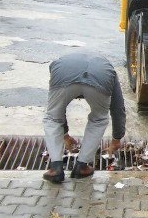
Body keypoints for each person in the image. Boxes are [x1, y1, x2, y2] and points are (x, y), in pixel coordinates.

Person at [42, 52, 126, 183]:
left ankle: (55, 168)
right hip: (100, 77)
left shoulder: (57, 66)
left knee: (53, 118)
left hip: (63, 75)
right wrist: (117, 138)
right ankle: (82, 166)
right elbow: (117, 107)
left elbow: (58, 111)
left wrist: (65, 135)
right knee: (99, 119)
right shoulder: (109, 70)